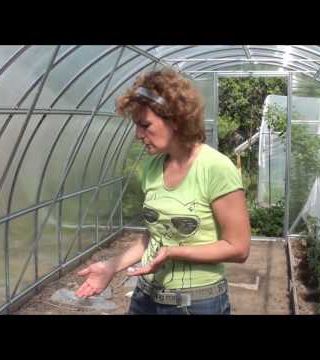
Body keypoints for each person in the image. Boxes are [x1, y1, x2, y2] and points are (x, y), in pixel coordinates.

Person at [75, 68, 251, 314]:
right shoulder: (152, 167)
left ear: (176, 120)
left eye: (145, 125)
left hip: (195, 303)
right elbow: (153, 236)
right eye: (136, 125)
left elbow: (238, 248)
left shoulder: (216, 168)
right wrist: (111, 267)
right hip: (145, 296)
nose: (137, 134)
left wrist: (173, 252)